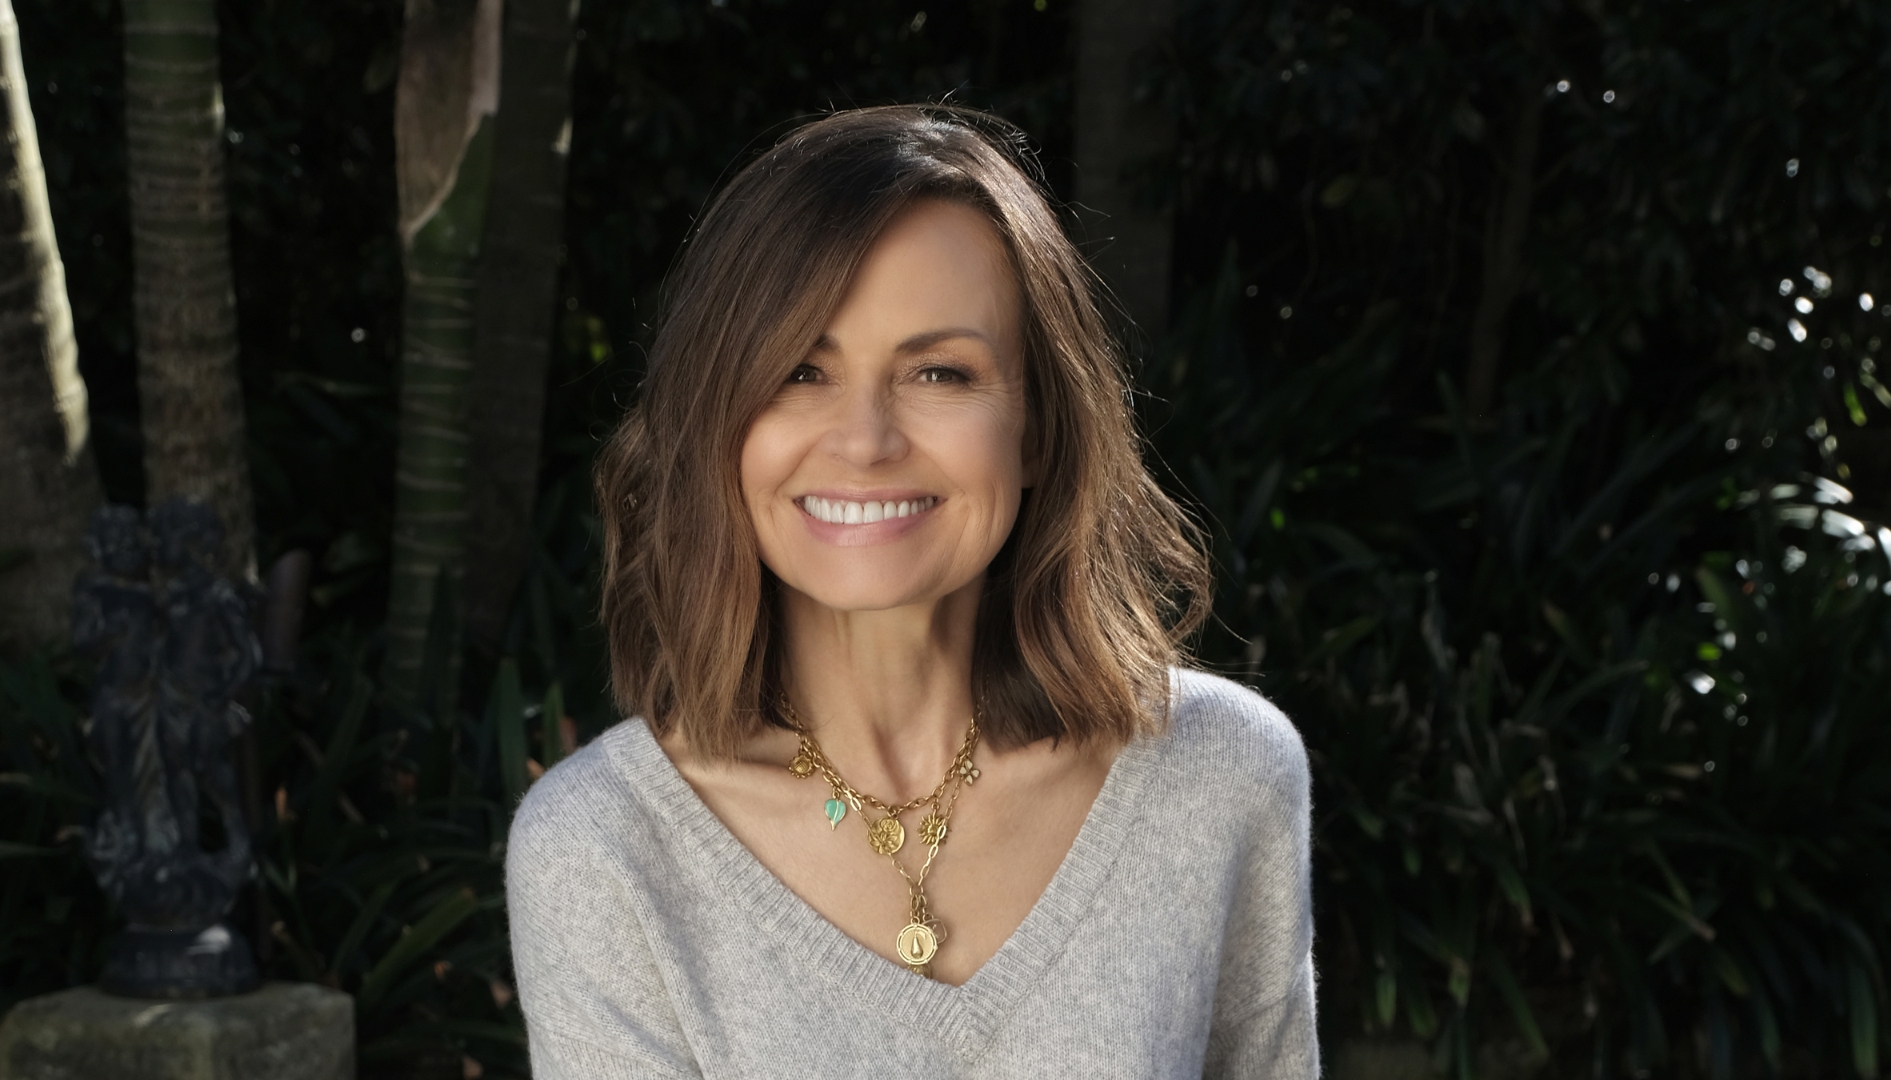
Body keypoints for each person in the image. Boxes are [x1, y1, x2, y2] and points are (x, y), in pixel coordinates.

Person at [506, 105, 1316, 1078]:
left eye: (940, 371)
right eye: (800, 370)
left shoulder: (1223, 775)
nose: (866, 440)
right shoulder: (602, 852)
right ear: (716, 423)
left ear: (1039, 432)